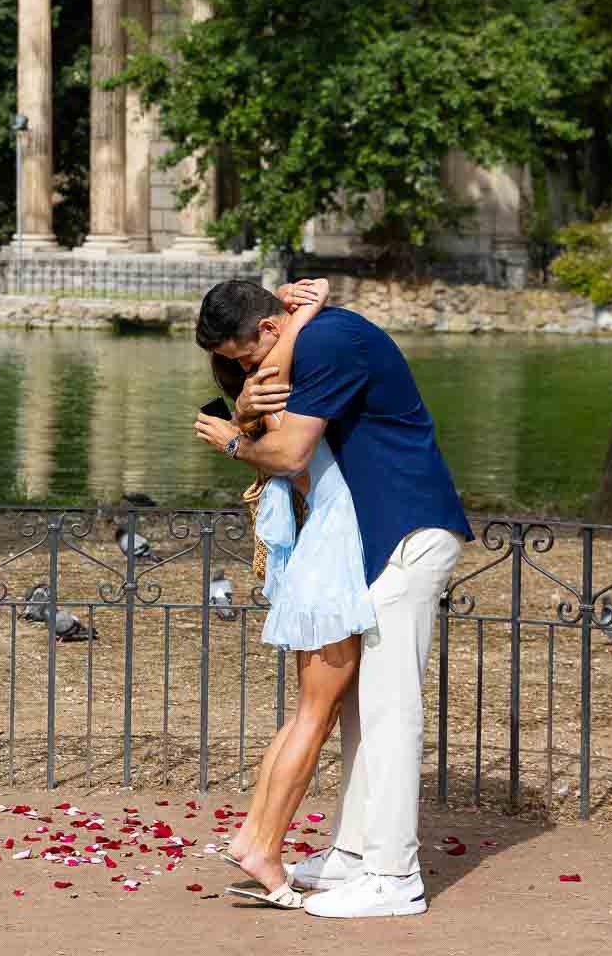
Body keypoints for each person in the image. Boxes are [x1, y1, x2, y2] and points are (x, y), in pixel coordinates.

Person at [195, 278, 473, 920]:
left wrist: (234, 441)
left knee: (389, 711)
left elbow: (288, 452)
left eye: (244, 356)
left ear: (269, 329)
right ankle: (353, 854)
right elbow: (293, 454)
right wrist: (247, 408)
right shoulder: (313, 338)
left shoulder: (329, 338)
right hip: (377, 540)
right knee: (356, 712)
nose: (247, 369)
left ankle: (394, 878)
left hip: (404, 531)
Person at [202, 278, 376, 910]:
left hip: (324, 543)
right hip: (332, 546)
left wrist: (291, 311)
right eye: (246, 359)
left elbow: (269, 348)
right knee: (315, 712)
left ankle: (254, 836)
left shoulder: (264, 381)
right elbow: (294, 454)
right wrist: (305, 313)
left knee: (309, 708)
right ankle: (262, 847)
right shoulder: (273, 376)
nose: (252, 367)